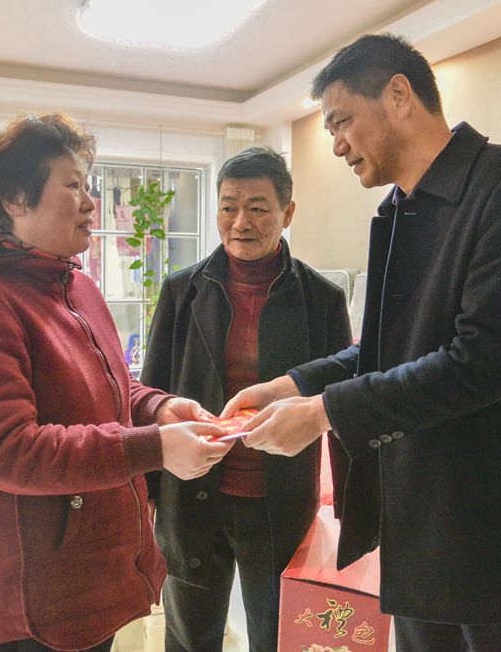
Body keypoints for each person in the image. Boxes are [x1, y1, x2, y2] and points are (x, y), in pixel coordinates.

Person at [223, 34, 501, 651]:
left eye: (342, 121)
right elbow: (385, 347)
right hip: (426, 525)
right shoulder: (400, 210)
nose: (336, 144)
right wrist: (293, 384)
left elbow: (480, 364)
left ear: (399, 95)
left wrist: (324, 413)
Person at [0, 112, 232, 652]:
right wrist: (155, 448)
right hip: (34, 605)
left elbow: (112, 386)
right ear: (15, 200)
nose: (90, 202)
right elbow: (7, 450)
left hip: (93, 574)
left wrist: (159, 408)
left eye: (88, 186)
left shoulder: (76, 285)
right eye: (72, 186)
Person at [141, 146, 352, 652]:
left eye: (258, 208)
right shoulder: (182, 291)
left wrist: (347, 502)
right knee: (190, 637)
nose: (241, 222)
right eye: (228, 207)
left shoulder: (322, 299)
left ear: (287, 212)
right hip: (192, 494)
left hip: (279, 500)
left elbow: (342, 391)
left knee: (277, 635)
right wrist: (146, 491)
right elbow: (150, 390)